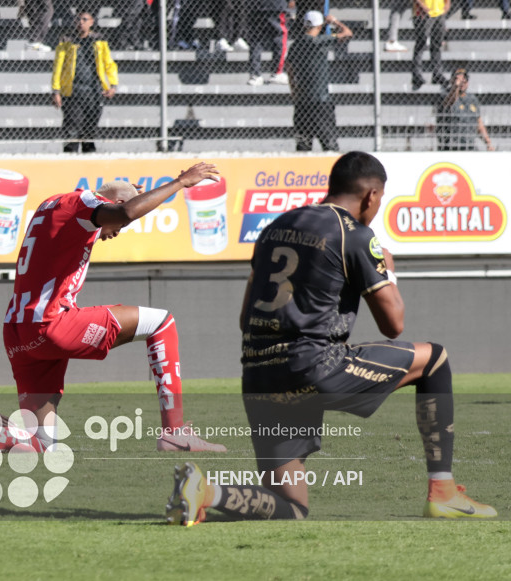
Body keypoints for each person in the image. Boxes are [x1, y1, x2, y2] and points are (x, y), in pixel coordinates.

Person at [165, 151, 497, 525]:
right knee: (434, 358)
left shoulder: (275, 227)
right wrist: (388, 269)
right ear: (371, 195)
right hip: (313, 367)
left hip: (259, 374)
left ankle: (206, 491)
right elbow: (393, 324)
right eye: (380, 200)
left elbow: (247, 319)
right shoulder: (355, 235)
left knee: (292, 508)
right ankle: (444, 492)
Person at [0, 163, 229, 456]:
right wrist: (180, 182)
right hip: (50, 324)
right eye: (118, 225)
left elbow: (116, 208)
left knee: (41, 443)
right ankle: (174, 431)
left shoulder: (52, 205)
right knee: (161, 322)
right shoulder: (80, 204)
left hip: (18, 332)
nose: (116, 230)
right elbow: (126, 210)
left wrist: (123, 197)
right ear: (109, 201)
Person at [52, 10, 118, 153]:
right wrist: (56, 91)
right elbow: (58, 67)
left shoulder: (99, 42)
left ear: (91, 22)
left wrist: (113, 85)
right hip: (73, 91)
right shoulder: (66, 41)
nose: (81, 22)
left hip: (94, 91)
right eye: (78, 20)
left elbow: (109, 63)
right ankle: (70, 158)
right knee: (72, 127)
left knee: (90, 128)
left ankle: (89, 157)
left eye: (84, 19)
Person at [285, 11, 352, 152]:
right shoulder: (322, 42)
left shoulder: (295, 45)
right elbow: (347, 33)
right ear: (320, 25)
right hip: (321, 101)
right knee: (330, 145)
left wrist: (294, 91)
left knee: (303, 146)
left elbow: (289, 69)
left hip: (302, 102)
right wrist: (334, 22)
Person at [437, 68, 494, 151]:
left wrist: (488, 143)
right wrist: (456, 87)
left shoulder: (472, 99)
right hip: (451, 146)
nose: (462, 82)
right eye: (458, 79)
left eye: (465, 79)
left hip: (469, 145)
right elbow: (449, 102)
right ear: (452, 80)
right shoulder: (445, 96)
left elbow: (479, 123)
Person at [247, 0, 290, 86]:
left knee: (256, 38)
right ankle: (277, 72)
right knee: (279, 35)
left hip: (256, 5)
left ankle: (256, 75)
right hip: (275, 6)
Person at [411, 0, 449, 91]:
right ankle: (417, 75)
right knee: (421, 44)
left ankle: (437, 74)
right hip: (423, 12)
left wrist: (447, 4)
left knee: (436, 45)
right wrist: (421, 5)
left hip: (439, 11)